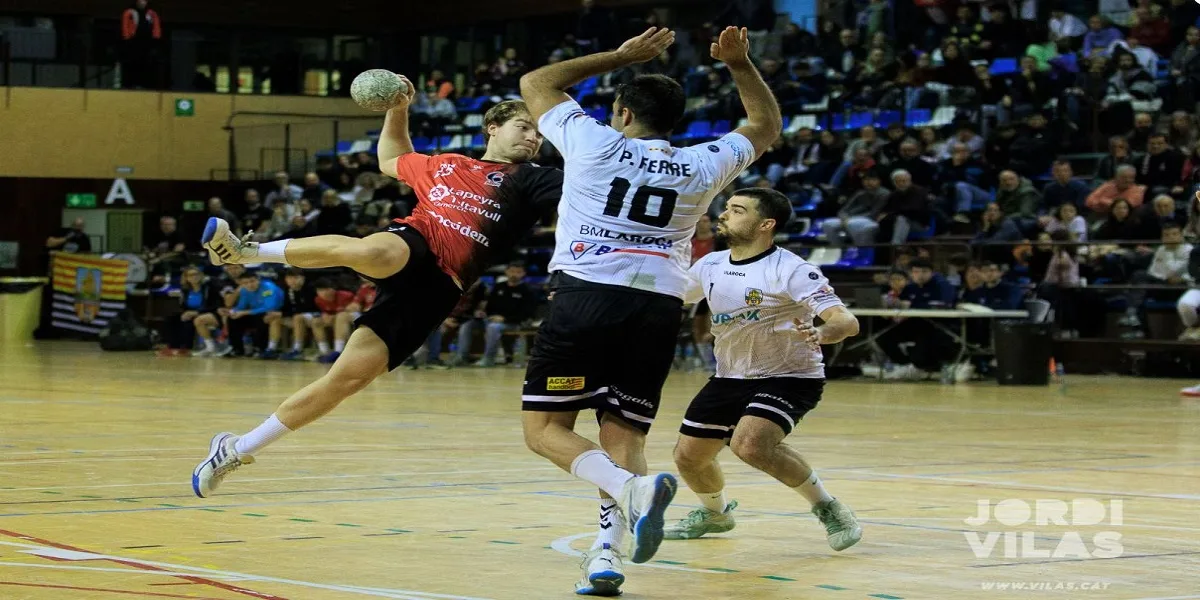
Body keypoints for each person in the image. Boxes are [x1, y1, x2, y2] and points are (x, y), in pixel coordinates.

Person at [190, 82, 563, 498]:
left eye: (539, 133)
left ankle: (236, 448)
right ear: (492, 127)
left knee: (346, 380)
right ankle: (246, 251)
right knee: (372, 252)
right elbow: (390, 157)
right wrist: (398, 109)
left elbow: (593, 195)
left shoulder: (537, 179)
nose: (533, 137)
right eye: (524, 127)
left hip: (442, 286)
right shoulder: (445, 164)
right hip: (418, 241)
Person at [517, 25, 781, 595]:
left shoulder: (593, 142)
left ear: (623, 113)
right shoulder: (702, 163)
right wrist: (739, 64)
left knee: (545, 430)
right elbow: (765, 126)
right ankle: (605, 555)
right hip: (658, 307)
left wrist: (620, 55)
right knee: (624, 435)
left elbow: (536, 82)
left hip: (587, 295)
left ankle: (631, 491)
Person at [663, 188, 863, 550]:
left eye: (738, 210)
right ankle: (715, 514)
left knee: (751, 445)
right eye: (727, 208)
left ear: (765, 224)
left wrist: (821, 332)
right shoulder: (710, 264)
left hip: (789, 376)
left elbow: (846, 322)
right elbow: (669, 296)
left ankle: (828, 507)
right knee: (688, 457)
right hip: (729, 375)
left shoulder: (791, 269)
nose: (724, 215)